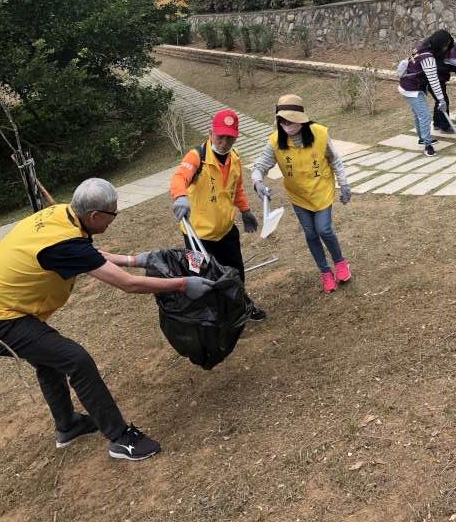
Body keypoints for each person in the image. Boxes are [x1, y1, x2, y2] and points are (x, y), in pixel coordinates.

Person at [0, 178, 212, 461]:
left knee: (49, 360)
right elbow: (128, 285)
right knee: (75, 360)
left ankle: (68, 425)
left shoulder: (64, 216)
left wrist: (137, 259)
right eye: (113, 214)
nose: (114, 219)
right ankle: (120, 439)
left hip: (13, 308)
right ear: (94, 216)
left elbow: (90, 255)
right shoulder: (64, 242)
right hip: (5, 320)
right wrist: (183, 284)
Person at [169, 109, 266, 321]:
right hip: (196, 237)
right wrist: (180, 196)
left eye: (229, 137)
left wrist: (245, 210)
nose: (224, 142)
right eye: (220, 136)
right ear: (210, 133)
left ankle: (241, 306)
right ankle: (212, 315)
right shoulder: (197, 157)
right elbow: (179, 177)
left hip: (225, 231)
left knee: (236, 272)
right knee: (201, 276)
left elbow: (237, 188)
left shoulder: (235, 158)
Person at [251, 94, 351, 295]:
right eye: (282, 120)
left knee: (324, 230)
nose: (286, 124)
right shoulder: (275, 141)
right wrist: (257, 182)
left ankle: (340, 262)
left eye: (289, 120)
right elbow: (260, 166)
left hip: (321, 191)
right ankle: (325, 272)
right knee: (311, 234)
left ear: (300, 119)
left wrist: (344, 184)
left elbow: (335, 161)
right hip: (299, 197)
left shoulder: (319, 133)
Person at [398, 29, 454, 157]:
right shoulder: (428, 58)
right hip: (412, 89)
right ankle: (428, 146)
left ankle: (422, 138)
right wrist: (441, 99)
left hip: (407, 85)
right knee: (425, 116)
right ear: (440, 44)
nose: (446, 48)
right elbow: (434, 81)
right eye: (445, 45)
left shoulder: (421, 47)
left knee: (419, 115)